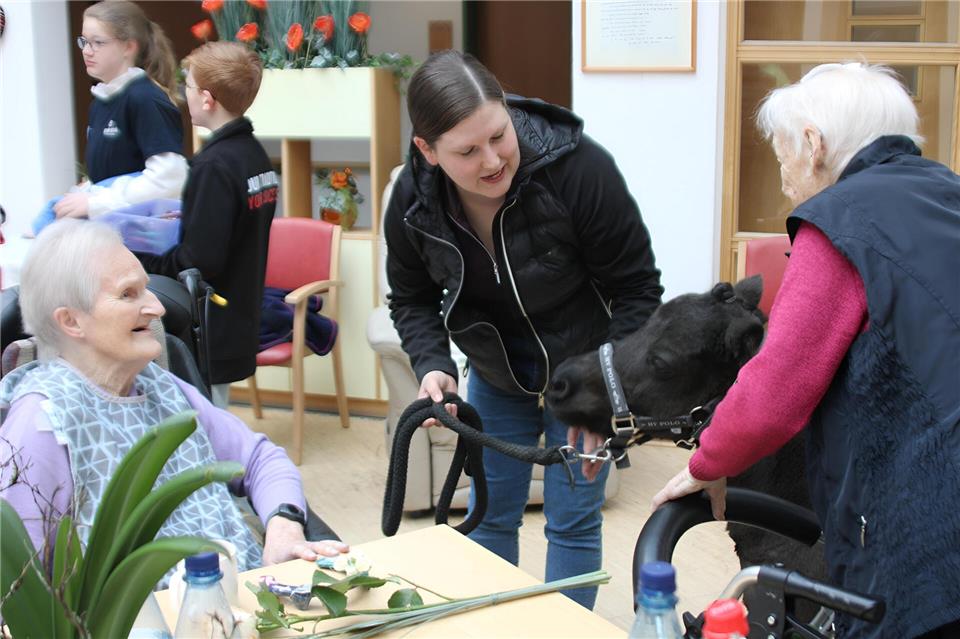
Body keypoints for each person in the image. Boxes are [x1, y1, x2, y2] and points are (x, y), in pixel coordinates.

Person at [652, 63, 960, 639]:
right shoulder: (945, 194)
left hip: (927, 524)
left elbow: (776, 389)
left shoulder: (840, 222)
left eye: (782, 158)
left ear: (814, 145)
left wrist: (707, 461)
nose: (784, 180)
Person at [384, 50, 663, 609]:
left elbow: (638, 290)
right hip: (496, 374)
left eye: (499, 136)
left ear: (509, 112)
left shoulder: (579, 170)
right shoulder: (413, 202)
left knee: (574, 524)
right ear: (428, 151)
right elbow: (411, 298)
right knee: (488, 518)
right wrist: (433, 364)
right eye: (467, 151)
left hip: (583, 373)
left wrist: (604, 392)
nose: (492, 160)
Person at [0, 220, 346, 586]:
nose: (157, 307)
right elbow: (17, 583)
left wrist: (284, 527)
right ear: (71, 321)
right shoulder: (42, 423)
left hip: (240, 596)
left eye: (146, 289)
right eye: (129, 294)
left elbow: (260, 458)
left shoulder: (160, 384)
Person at [137, 42, 278, 409]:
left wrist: (139, 260)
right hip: (238, 314)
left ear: (207, 98)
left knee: (206, 421)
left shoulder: (215, 165)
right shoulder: (254, 155)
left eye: (187, 85)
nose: (184, 94)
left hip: (212, 322)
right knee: (217, 410)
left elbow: (199, 262)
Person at [35, 0, 187, 232]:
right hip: (112, 231)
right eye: (84, 41)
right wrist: (86, 192)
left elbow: (170, 179)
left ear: (129, 47)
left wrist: (95, 203)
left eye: (98, 42)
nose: (87, 51)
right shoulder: (102, 100)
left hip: (139, 239)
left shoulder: (145, 98)